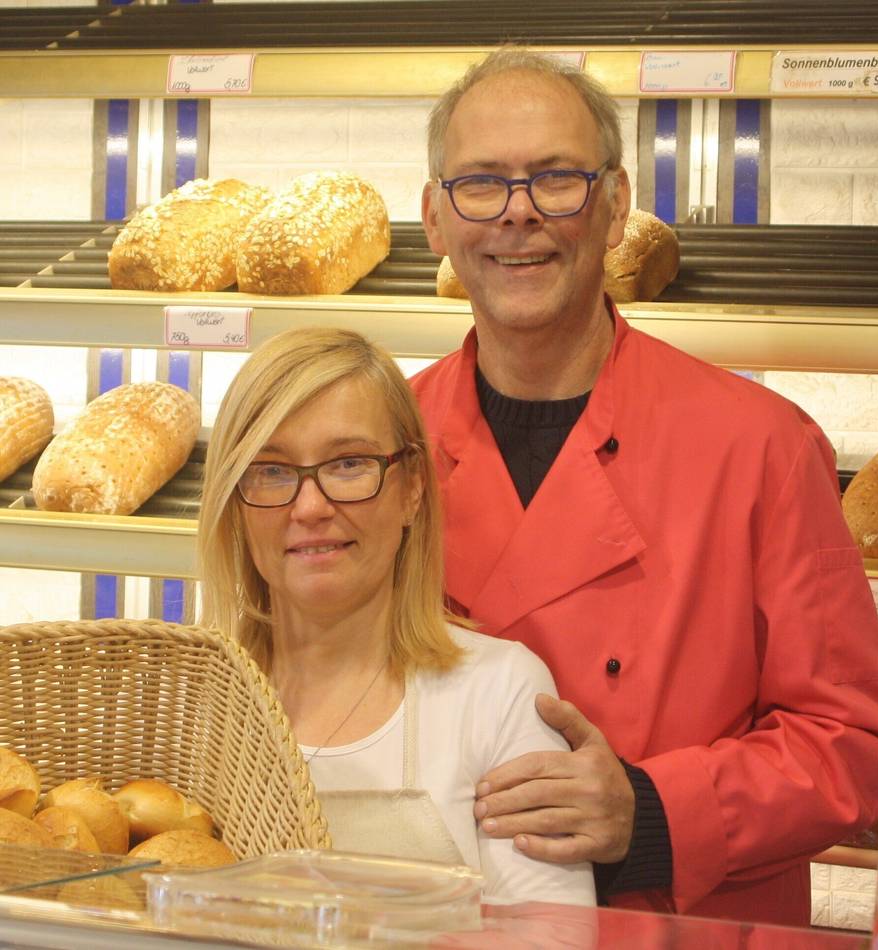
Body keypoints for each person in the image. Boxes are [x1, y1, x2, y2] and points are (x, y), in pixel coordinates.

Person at [412, 47, 878, 926]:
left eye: (557, 179)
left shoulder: (760, 446)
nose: (518, 214)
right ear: (434, 219)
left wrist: (647, 813)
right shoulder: (385, 448)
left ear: (614, 207)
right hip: (447, 929)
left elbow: (855, 749)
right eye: (481, 184)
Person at [196, 325, 595, 907]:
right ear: (234, 502)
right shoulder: (195, 706)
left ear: (410, 488)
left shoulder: (498, 692)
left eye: (348, 463)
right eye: (272, 470)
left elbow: (554, 937)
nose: (310, 507)